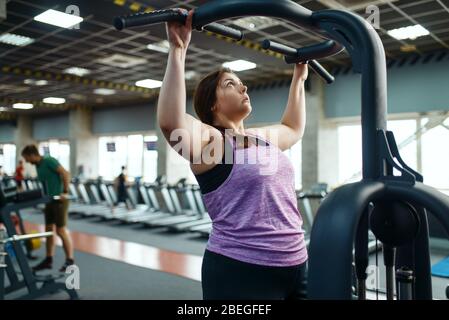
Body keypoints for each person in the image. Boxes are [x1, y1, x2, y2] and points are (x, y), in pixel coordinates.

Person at [158, 10, 309, 299]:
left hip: (296, 263)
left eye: (241, 82)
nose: (243, 86)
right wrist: (178, 50)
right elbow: (171, 123)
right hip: (242, 270)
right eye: (230, 84)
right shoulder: (211, 141)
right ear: (212, 105)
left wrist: (299, 79)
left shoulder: (260, 139)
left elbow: (293, 127)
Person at [21, 145, 75, 273]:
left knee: (60, 230)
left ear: (32, 154)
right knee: (49, 230)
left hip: (60, 199)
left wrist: (65, 191)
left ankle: (70, 260)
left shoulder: (48, 160)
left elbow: (65, 173)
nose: (26, 161)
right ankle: (48, 259)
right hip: (49, 201)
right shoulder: (38, 166)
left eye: (26, 158)